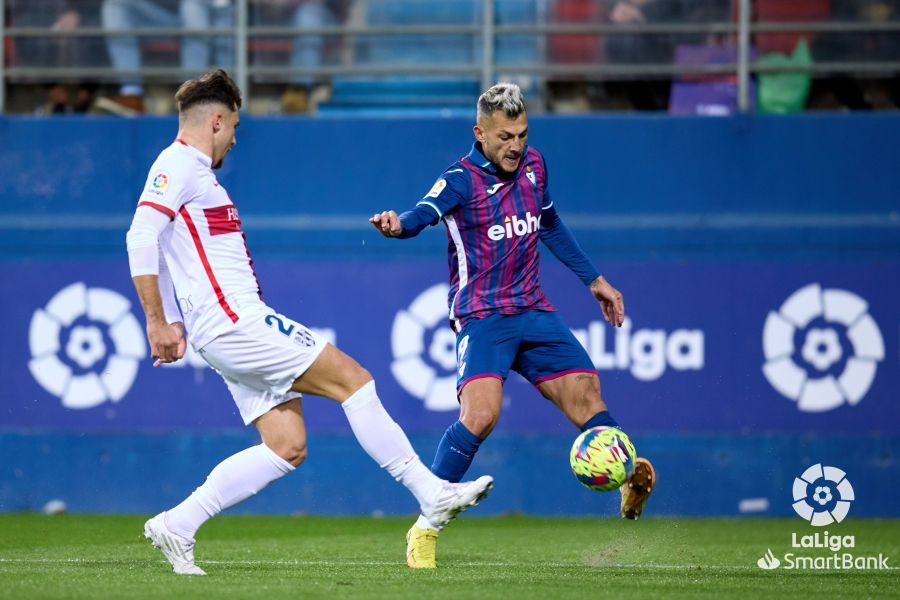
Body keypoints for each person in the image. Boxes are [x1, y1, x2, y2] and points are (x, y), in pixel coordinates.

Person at [126, 69, 493, 576]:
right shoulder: (178, 164)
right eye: (233, 125)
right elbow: (141, 236)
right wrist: (157, 320)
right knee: (354, 381)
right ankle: (431, 494)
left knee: (286, 446)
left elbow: (168, 249)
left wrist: (171, 317)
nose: (235, 138)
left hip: (222, 326)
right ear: (215, 120)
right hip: (234, 321)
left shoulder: (193, 174)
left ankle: (178, 524)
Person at [369, 82, 655, 569]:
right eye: (505, 136)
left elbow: (549, 224)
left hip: (533, 309)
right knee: (480, 416)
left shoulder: (536, 166)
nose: (516, 146)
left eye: (521, 134)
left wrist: (595, 280)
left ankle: (624, 474)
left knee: (588, 396)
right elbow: (422, 213)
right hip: (482, 315)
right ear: (479, 133)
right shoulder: (459, 180)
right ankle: (426, 526)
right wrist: (399, 226)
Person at [100, 0, 233, 114]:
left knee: (193, 6)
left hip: (201, 11)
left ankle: (191, 96)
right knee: (116, 4)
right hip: (161, 14)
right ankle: (131, 94)